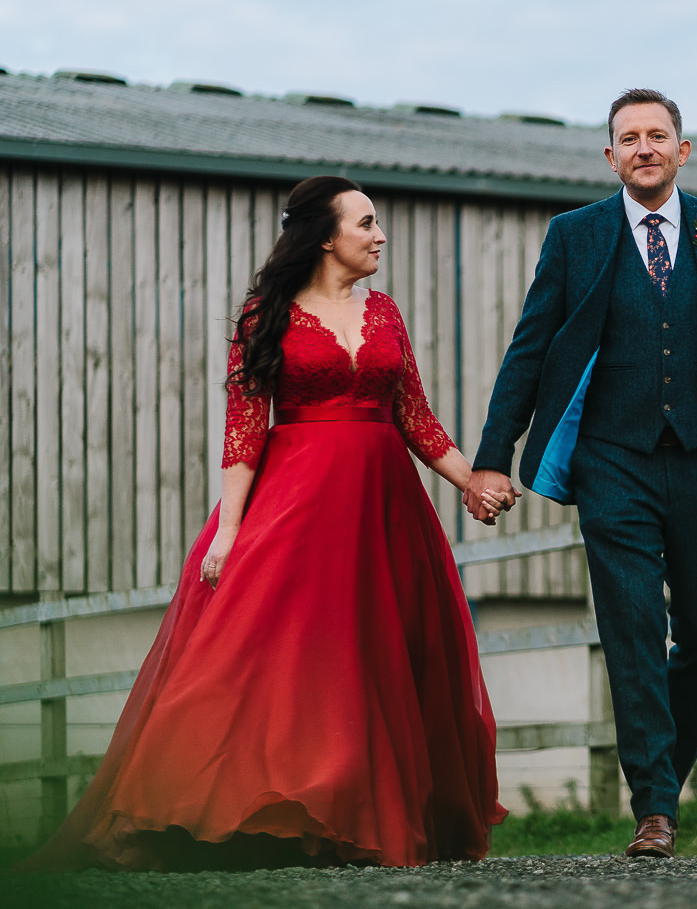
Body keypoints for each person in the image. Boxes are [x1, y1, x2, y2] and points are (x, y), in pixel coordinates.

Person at [21, 176, 507, 871]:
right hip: (297, 502)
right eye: (366, 223)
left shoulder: (386, 313)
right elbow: (244, 429)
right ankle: (218, 810)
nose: (380, 236)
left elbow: (416, 417)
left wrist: (472, 483)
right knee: (263, 660)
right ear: (326, 237)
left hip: (384, 509)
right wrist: (229, 532)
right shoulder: (266, 316)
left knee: (373, 664)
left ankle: (350, 821)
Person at [464, 89, 697, 858]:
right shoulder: (575, 236)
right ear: (611, 157)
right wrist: (493, 455)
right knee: (633, 630)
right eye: (629, 138)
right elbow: (530, 349)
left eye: (657, 135)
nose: (644, 148)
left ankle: (664, 777)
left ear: (682, 150)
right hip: (612, 462)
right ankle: (655, 809)